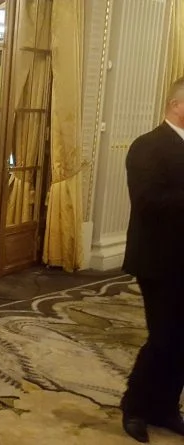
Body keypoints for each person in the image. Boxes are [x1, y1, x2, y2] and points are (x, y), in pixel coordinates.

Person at [120, 76, 184, 443]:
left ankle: (166, 407)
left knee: (183, 339)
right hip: (158, 260)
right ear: (176, 105)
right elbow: (146, 201)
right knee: (162, 337)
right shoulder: (147, 146)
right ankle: (134, 406)